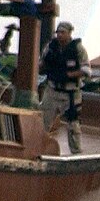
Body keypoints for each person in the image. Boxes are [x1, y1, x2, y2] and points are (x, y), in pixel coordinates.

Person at [39, 19, 90, 153]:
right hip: (52, 90)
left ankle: (76, 151)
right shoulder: (51, 47)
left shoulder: (78, 49)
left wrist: (70, 75)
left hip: (71, 93)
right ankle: (38, 148)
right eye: (58, 32)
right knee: (43, 122)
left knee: (73, 124)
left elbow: (87, 70)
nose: (59, 35)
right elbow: (41, 64)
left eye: (63, 32)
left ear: (69, 33)